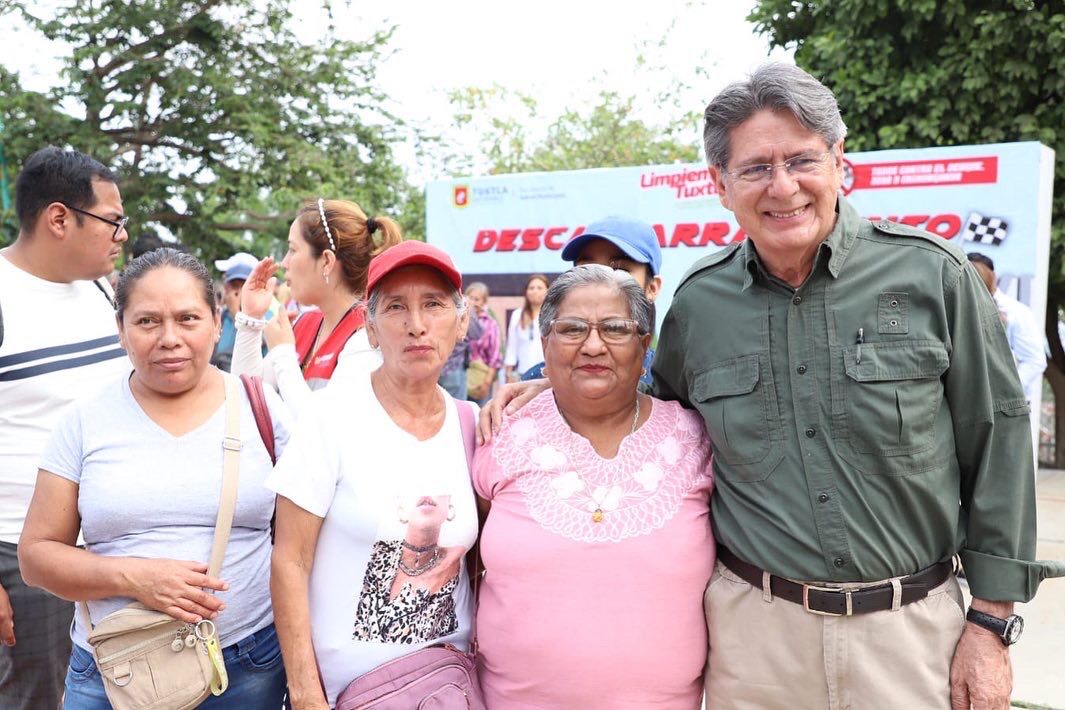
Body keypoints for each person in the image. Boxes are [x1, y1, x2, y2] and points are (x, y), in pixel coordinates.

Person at [483, 63, 1064, 710]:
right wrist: (560, 391)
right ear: (720, 184)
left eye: (801, 161)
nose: (782, 187)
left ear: (840, 162)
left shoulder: (933, 276)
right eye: (756, 167)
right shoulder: (700, 305)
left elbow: (999, 442)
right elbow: (661, 423)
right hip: (753, 642)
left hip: (911, 633)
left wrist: (989, 624)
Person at [18, 248, 291, 708]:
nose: (170, 338)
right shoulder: (84, 422)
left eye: (187, 318)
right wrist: (134, 577)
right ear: (120, 328)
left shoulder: (262, 410)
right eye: (147, 322)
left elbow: (303, 547)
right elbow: (37, 556)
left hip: (247, 665)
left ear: (216, 318)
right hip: (113, 672)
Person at [474, 265, 713, 708]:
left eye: (615, 329)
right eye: (571, 329)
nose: (593, 345)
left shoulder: (696, 439)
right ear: (544, 344)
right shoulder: (499, 433)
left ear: (645, 344)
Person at [268, 241, 479, 709]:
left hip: (446, 687)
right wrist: (305, 694)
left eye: (434, 305)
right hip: (347, 693)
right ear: (370, 325)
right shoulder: (330, 419)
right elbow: (289, 562)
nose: (417, 325)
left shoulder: (472, 424)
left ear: (461, 322)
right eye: (396, 307)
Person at [0, 147, 129, 709]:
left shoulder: (103, 292)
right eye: (112, 220)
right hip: (22, 560)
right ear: (59, 218)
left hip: (109, 545)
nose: (122, 235)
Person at [231, 198, 402, 417]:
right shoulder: (304, 324)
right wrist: (251, 319)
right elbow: (244, 397)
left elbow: (324, 430)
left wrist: (283, 354)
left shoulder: (366, 339)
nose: (284, 262)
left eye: (293, 250)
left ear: (327, 262)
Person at [522, 216, 662, 385]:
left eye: (620, 271)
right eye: (586, 269)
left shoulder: (668, 384)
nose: (599, 284)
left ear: (652, 288)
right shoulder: (535, 384)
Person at [967, 252, 1046, 458]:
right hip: (968, 406)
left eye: (977, 274)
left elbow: (1035, 360)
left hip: (1004, 408)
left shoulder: (1016, 312)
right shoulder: (960, 309)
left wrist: (1006, 390)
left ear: (992, 277)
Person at [212, 252, 262, 371]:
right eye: (234, 286)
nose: (238, 293)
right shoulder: (221, 315)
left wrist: (236, 313)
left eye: (244, 286)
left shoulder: (263, 319)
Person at [504, 274, 548, 382]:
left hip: (546, 372)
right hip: (523, 371)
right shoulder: (517, 315)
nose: (535, 291)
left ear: (547, 290)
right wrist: (509, 372)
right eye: (531, 288)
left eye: (539, 288)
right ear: (526, 292)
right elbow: (512, 346)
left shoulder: (552, 314)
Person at [465, 282, 503, 403]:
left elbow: (495, 355)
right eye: (470, 298)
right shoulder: (460, 321)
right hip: (463, 376)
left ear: (484, 302)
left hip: (482, 377)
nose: (472, 302)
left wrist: (487, 382)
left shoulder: (490, 324)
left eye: (477, 299)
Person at [438, 306, 482, 400]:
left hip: (436, 367)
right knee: (456, 408)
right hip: (454, 367)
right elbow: (477, 333)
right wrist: (472, 313)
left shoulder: (436, 308)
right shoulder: (463, 306)